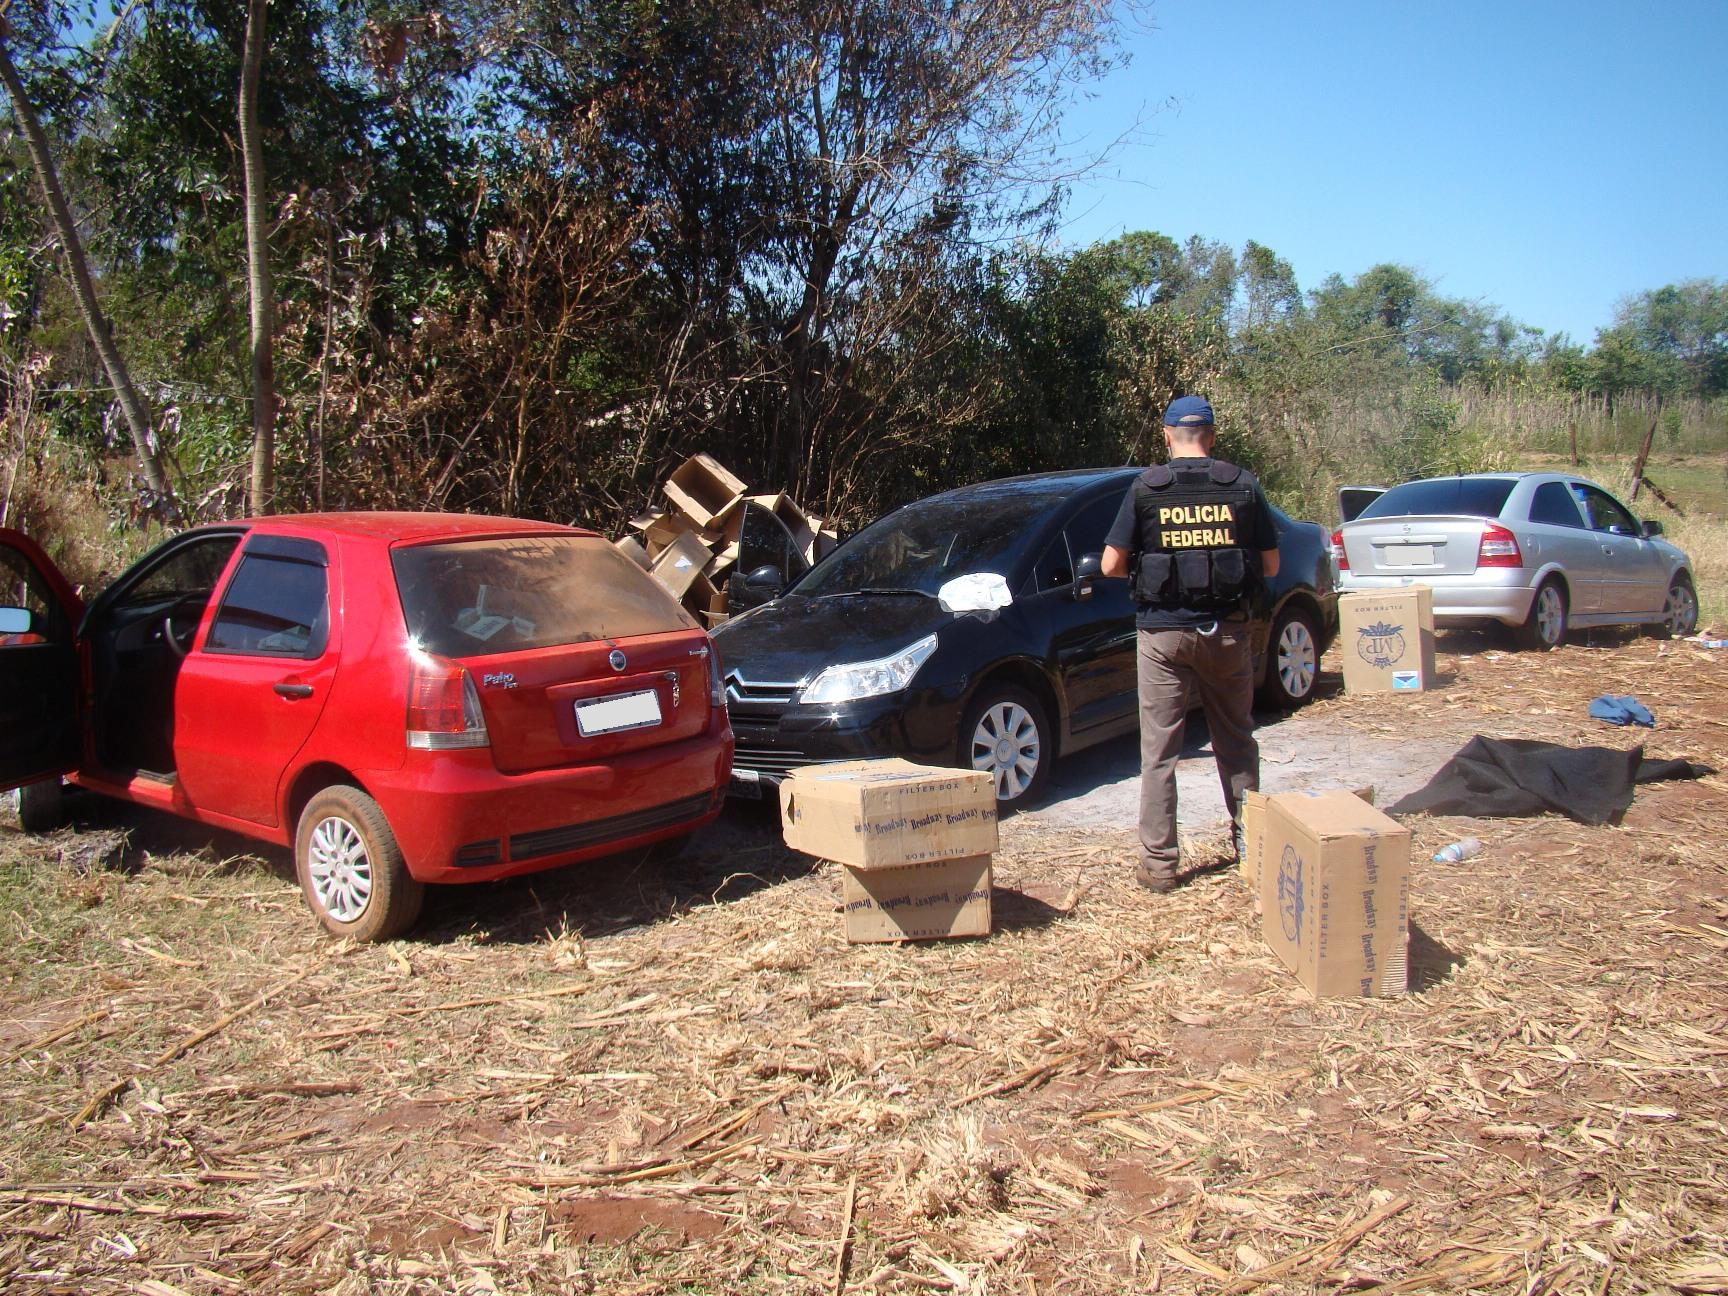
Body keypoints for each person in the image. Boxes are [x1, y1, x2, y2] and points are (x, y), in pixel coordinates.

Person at [1102, 395, 1280, 893]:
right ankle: (1252, 845)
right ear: (1213, 435)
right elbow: (1270, 566)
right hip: (1227, 632)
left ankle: (1159, 867)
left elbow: (1111, 565)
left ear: (1166, 435)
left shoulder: (1145, 489)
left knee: (1159, 753)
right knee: (1236, 740)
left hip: (1162, 636)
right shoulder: (1242, 485)